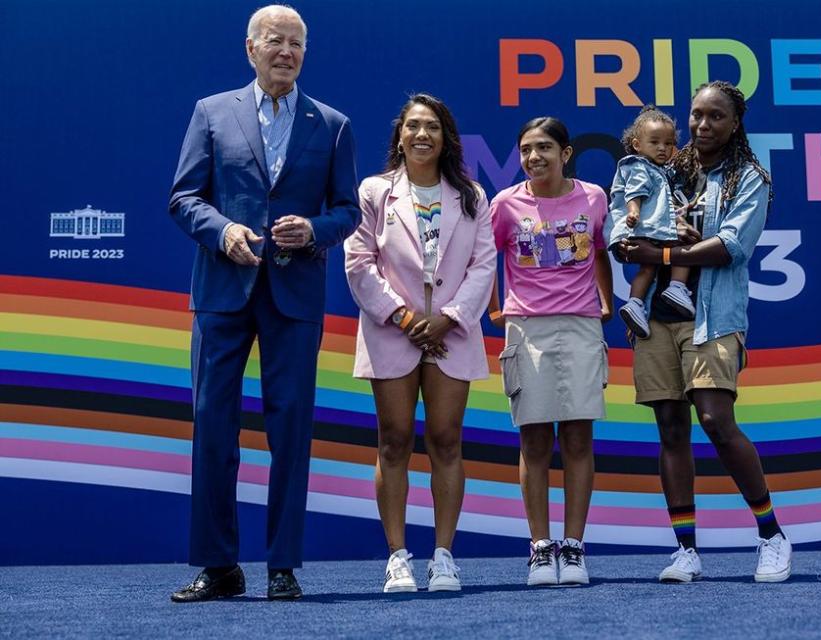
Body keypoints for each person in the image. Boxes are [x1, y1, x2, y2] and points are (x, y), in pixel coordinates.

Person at [167, 5, 360, 602]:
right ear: (250, 49)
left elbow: (349, 210)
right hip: (224, 292)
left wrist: (318, 231)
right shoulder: (211, 112)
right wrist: (222, 231)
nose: (286, 51)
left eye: (297, 43)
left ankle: (283, 565)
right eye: (275, 41)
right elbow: (183, 197)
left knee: (291, 430)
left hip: (294, 296)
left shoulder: (331, 124)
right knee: (213, 429)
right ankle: (219, 566)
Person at [614, 80, 792, 583]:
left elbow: (728, 248)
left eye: (715, 116)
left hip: (713, 317)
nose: (702, 125)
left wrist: (659, 255)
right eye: (696, 115)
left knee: (714, 419)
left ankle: (771, 535)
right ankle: (686, 550)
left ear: (735, 123)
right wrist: (627, 240)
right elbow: (629, 205)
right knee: (671, 428)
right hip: (655, 319)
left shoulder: (750, 178)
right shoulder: (669, 166)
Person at [344, 94, 496, 593]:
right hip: (393, 330)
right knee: (394, 441)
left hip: (451, 333)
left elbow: (483, 266)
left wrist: (448, 319)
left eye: (431, 126)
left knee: (447, 441)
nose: (422, 135)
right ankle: (398, 557)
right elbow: (359, 260)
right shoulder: (373, 191)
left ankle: (444, 556)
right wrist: (405, 315)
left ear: (445, 136)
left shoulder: (472, 195)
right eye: (412, 126)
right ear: (400, 136)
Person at [488, 117, 613, 586]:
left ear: (566, 154)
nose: (533, 157)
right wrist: (496, 309)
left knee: (578, 439)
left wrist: (606, 300)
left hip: (580, 328)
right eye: (525, 150)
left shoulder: (594, 197)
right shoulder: (505, 204)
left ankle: (574, 547)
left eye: (543, 148)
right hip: (527, 331)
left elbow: (600, 247)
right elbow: (485, 258)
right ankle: (541, 549)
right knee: (535, 441)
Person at [605, 105, 694, 339]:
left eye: (669, 143)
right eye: (655, 142)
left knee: (648, 267)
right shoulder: (640, 166)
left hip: (646, 228)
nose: (663, 148)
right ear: (637, 145)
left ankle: (634, 303)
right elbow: (634, 192)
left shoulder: (661, 170)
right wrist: (633, 212)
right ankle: (676, 286)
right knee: (681, 250)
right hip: (646, 227)